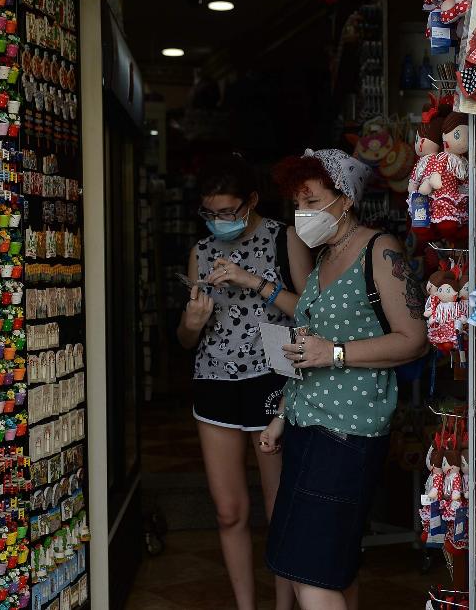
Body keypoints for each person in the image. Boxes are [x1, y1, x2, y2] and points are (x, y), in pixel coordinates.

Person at [260, 149, 429, 610]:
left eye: (312, 201)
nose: (303, 214)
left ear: (345, 199)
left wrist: (334, 353)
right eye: (298, 204)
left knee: (309, 574)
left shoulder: (380, 250)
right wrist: (281, 416)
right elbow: (309, 345)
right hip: (306, 425)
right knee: (329, 568)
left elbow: (414, 340)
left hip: (345, 433)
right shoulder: (323, 260)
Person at [176, 153, 309, 610]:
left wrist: (253, 281)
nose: (219, 222)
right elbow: (186, 338)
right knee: (229, 511)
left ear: (251, 201)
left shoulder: (282, 239)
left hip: (273, 377)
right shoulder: (201, 251)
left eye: (229, 212)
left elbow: (310, 314)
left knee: (280, 513)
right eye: (210, 214)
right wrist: (192, 322)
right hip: (214, 380)